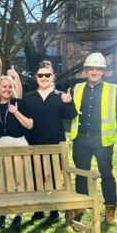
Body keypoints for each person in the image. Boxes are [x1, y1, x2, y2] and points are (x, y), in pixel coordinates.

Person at [70, 52, 117, 226]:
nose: (94, 72)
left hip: (103, 141)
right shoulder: (76, 89)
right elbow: (70, 112)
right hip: (81, 139)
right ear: (86, 71)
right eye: (91, 69)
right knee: (81, 174)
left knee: (107, 174)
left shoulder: (113, 90)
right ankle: (81, 206)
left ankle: (110, 209)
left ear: (103, 71)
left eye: (98, 69)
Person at [22, 61, 77, 223]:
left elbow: (71, 115)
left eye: (47, 75)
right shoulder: (29, 98)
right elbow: (24, 121)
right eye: (41, 75)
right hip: (35, 143)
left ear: (53, 77)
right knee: (36, 176)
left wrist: (68, 102)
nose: (44, 78)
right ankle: (38, 210)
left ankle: (54, 210)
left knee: (53, 177)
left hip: (55, 143)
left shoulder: (61, 96)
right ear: (36, 78)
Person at [0, 76, 34, 229]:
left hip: (19, 143)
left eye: (10, 87)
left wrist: (16, 112)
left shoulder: (19, 103)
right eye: (4, 87)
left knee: (19, 180)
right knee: (3, 181)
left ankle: (19, 215)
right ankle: (4, 214)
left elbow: (29, 125)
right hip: (1, 144)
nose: (7, 89)